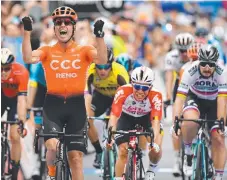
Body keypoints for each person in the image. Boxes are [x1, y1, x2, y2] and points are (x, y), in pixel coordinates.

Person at [21, 6, 108, 180]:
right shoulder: (47, 51)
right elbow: (28, 58)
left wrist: (99, 36)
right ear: (54, 28)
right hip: (53, 105)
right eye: (58, 22)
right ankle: (52, 174)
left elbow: (102, 60)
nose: (63, 25)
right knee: (52, 146)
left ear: (73, 27)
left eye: (67, 22)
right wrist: (27, 33)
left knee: (75, 158)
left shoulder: (84, 50)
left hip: (76, 107)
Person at [172, 45, 227, 180]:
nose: (207, 68)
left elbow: (222, 101)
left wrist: (221, 123)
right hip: (195, 98)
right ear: (199, 62)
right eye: (203, 64)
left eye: (210, 64)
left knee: (219, 138)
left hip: (214, 102)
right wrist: (176, 122)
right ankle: (188, 154)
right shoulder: (190, 70)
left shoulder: (222, 72)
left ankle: (219, 176)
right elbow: (179, 98)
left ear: (216, 64)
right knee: (189, 122)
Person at [108, 66, 164, 180]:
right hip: (126, 118)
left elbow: (156, 121)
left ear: (150, 87)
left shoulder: (156, 95)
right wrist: (111, 136)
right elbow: (114, 116)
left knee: (156, 147)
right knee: (123, 151)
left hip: (146, 118)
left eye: (144, 88)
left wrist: (154, 144)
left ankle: (152, 169)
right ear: (132, 84)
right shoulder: (123, 91)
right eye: (137, 87)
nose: (140, 91)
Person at [85, 47, 129, 168]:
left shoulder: (119, 71)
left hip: (118, 97)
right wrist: (87, 114)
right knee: (87, 120)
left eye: (106, 67)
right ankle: (99, 152)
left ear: (111, 64)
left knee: (119, 120)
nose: (102, 71)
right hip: (100, 97)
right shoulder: (90, 71)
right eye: (99, 67)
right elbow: (87, 94)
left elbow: (128, 94)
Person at [164, 32, 194, 176]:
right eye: (181, 50)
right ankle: (177, 159)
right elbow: (169, 78)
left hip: (194, 86)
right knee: (177, 123)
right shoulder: (171, 56)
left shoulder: (195, 54)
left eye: (186, 50)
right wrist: (169, 97)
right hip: (179, 86)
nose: (184, 53)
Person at [1, 48, 29, 180]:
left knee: (14, 136)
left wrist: (21, 121)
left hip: (16, 100)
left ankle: (15, 170)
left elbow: (22, 100)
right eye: (0, 68)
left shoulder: (21, 72)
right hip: (2, 96)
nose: (3, 72)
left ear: (11, 66)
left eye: (6, 69)